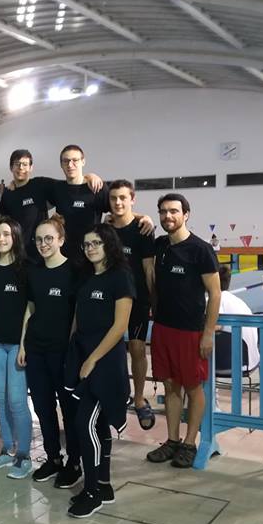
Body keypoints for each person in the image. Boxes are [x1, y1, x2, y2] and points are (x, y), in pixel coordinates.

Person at [146, 193, 221, 469]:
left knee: (193, 387)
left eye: (174, 211)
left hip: (190, 332)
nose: (168, 216)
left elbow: (215, 293)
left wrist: (208, 333)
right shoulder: (160, 245)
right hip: (163, 328)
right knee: (170, 385)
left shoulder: (201, 250)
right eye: (163, 211)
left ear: (186, 214)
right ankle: (172, 440)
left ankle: (190, 443)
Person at [64, 224, 134, 518]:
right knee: (98, 424)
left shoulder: (121, 277)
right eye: (87, 244)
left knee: (85, 424)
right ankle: (103, 485)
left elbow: (120, 326)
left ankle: (91, 491)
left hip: (105, 362)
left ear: (109, 245)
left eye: (96, 243)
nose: (90, 248)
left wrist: (92, 359)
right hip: (84, 355)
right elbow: (78, 318)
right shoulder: (86, 277)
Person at [19, 215, 81, 488]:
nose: (43, 244)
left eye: (49, 239)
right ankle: (53, 457)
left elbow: (78, 315)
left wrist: (73, 350)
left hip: (63, 353)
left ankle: (74, 462)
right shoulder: (34, 272)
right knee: (43, 408)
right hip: (36, 350)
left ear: (61, 240)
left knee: (69, 409)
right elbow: (29, 309)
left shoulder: (74, 271)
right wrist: (23, 344)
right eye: (39, 240)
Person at [0, 218, 33, 479]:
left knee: (17, 401)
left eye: (6, 234)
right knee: (0, 399)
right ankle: (7, 448)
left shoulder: (25, 268)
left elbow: (30, 309)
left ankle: (24, 454)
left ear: (15, 237)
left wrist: (23, 344)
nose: (1, 239)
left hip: (16, 345)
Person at [107, 180, 156, 430]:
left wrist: (154, 300)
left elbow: (149, 268)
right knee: (110, 349)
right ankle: (115, 395)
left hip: (137, 299)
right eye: (113, 198)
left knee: (137, 349)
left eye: (123, 198)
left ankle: (138, 397)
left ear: (132, 200)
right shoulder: (105, 229)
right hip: (110, 299)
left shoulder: (143, 229)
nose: (118, 202)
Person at [216, 266, 260, 371]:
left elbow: (216, 327)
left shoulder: (216, 300)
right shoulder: (240, 302)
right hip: (252, 361)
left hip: (235, 364)